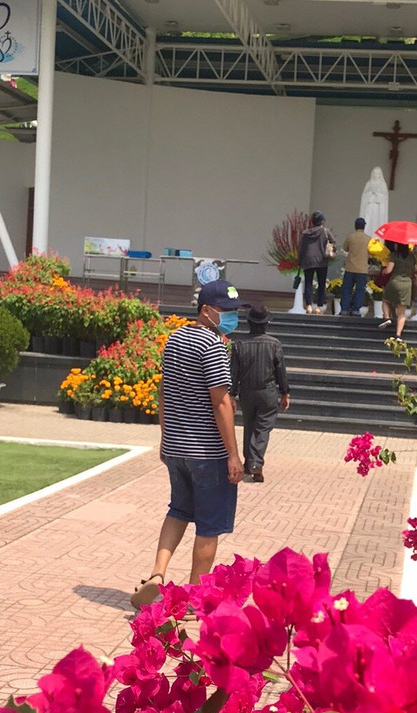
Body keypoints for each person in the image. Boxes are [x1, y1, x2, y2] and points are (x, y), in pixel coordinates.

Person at [131, 279, 248, 608]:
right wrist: (233, 455)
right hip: (207, 453)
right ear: (206, 311)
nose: (230, 317)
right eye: (225, 311)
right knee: (209, 524)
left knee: (179, 510)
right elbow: (220, 402)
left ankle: (157, 574)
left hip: (177, 448)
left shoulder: (176, 338)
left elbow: (164, 391)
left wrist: (164, 437)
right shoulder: (212, 345)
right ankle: (193, 598)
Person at [230, 305, 290, 483]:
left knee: (249, 426)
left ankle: (250, 464)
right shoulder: (274, 344)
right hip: (268, 391)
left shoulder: (239, 344)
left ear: (248, 322)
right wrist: (285, 392)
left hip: (247, 392)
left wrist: (232, 394)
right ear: (266, 323)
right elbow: (281, 371)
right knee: (263, 428)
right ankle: (256, 463)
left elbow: (234, 372)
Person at [299, 211, 335, 315]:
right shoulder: (325, 231)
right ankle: (319, 307)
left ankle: (309, 305)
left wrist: (300, 260)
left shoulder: (305, 233)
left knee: (308, 283)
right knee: (321, 283)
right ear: (322, 221)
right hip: (321, 260)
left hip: (308, 260)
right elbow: (333, 241)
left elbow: (301, 248)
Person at [380, 240, 416, 341]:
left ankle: (387, 318)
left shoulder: (394, 255)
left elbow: (389, 270)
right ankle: (398, 335)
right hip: (407, 284)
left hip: (395, 282)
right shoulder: (412, 256)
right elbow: (415, 270)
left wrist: (383, 271)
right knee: (401, 312)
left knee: (385, 300)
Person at [339, 218, 370, 316]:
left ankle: (344, 309)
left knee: (346, 289)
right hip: (362, 269)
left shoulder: (350, 237)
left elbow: (345, 248)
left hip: (350, 267)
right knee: (360, 290)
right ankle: (356, 309)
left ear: (355, 226)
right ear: (364, 227)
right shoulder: (368, 239)